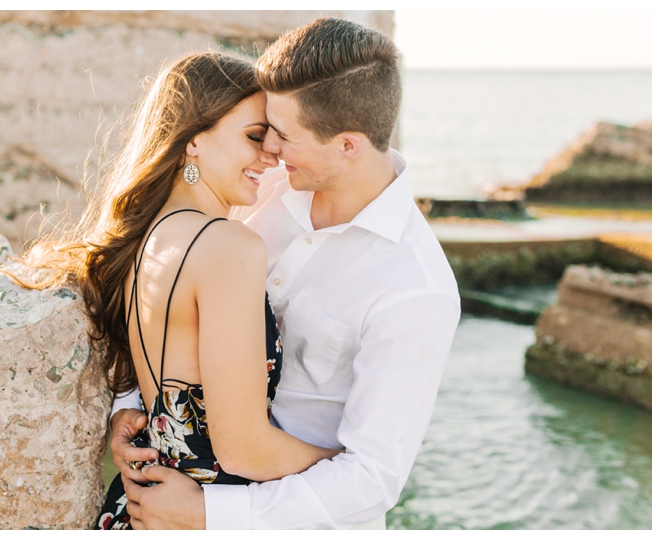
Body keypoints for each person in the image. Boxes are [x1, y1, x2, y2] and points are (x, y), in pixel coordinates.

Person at [110, 17, 461, 530]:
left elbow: (372, 479)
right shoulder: (262, 183)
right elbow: (172, 296)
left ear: (348, 145)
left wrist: (212, 513)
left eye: (284, 134)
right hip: (177, 487)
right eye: (263, 128)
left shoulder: (414, 288)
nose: (270, 147)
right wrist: (133, 409)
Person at [11, 51, 346, 530]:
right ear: (192, 141)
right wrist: (347, 465)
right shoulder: (228, 246)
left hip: (142, 505)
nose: (271, 153)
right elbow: (244, 449)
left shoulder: (143, 238)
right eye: (254, 137)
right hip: (198, 513)